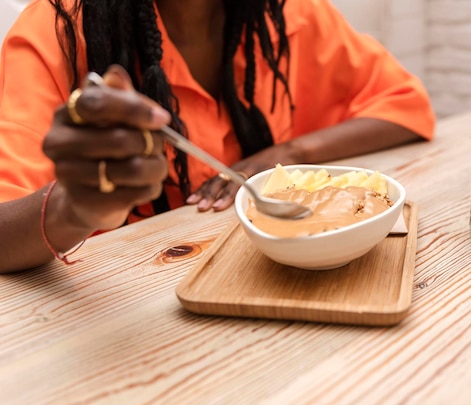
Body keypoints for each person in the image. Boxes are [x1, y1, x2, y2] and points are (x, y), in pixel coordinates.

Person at [0, 0, 436, 273]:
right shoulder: (57, 28)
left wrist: (290, 150)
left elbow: (406, 105)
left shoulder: (288, 12)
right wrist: (74, 207)